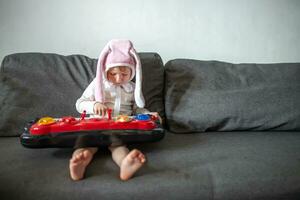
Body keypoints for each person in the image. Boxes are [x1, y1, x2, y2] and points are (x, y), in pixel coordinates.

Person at [70, 39, 160, 181]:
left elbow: (137, 109)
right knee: (86, 145)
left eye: (124, 75)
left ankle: (125, 163)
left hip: (119, 127)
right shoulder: (98, 84)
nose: (118, 79)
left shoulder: (131, 88)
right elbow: (80, 103)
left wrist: (148, 115)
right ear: (106, 70)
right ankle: (79, 162)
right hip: (95, 124)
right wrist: (93, 105)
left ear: (132, 72)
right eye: (113, 74)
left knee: (119, 147)